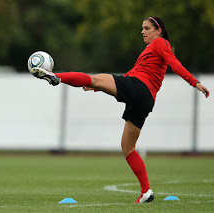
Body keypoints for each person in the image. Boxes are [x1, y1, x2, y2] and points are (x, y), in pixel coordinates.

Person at [30, 16, 210, 203]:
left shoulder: (160, 43)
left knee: (92, 78)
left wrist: (194, 82)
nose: (142, 31)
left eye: (147, 28)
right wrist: (100, 87)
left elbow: (175, 64)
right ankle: (146, 192)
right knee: (127, 147)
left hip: (140, 88)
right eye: (142, 28)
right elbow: (131, 75)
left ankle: (55, 76)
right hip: (145, 98)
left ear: (159, 30)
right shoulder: (151, 49)